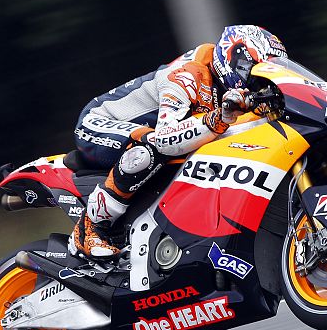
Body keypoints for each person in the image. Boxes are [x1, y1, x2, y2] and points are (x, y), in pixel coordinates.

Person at [69, 25, 288, 259]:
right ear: (231, 56)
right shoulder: (187, 74)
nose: (257, 82)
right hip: (98, 123)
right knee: (148, 149)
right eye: (250, 69)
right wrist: (218, 119)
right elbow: (165, 138)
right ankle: (89, 229)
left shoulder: (237, 95)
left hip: (155, 133)